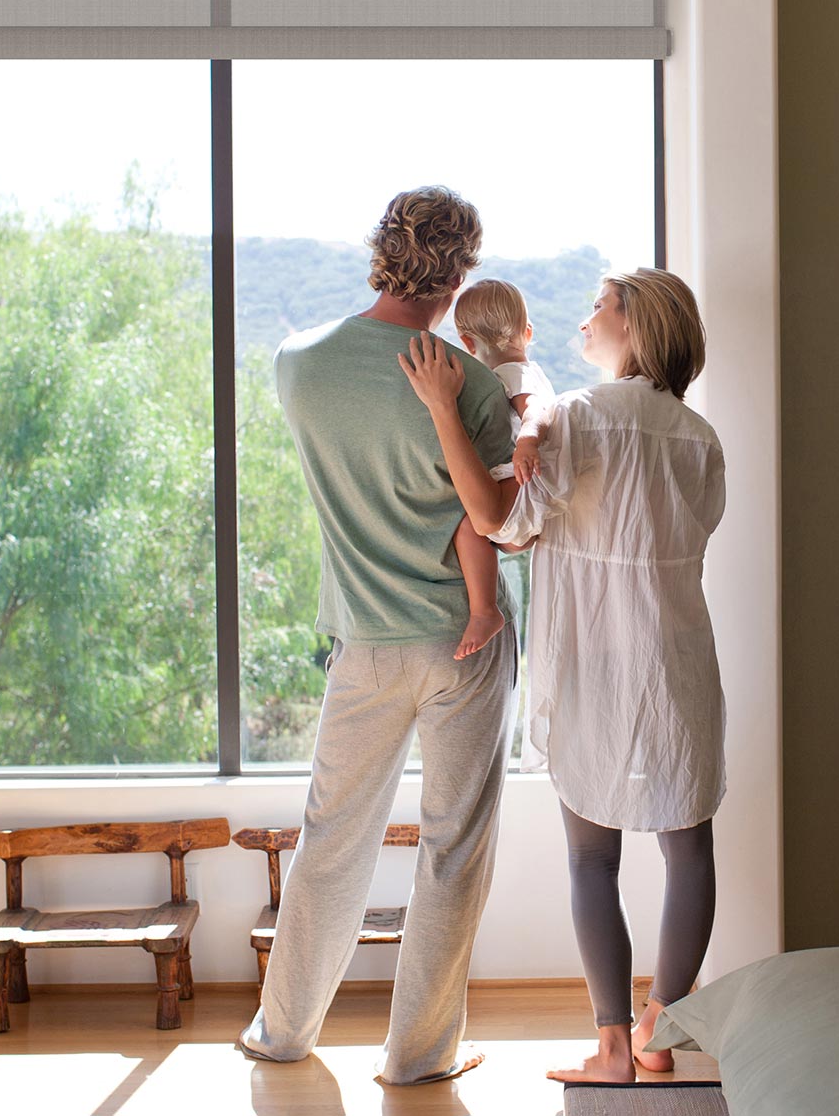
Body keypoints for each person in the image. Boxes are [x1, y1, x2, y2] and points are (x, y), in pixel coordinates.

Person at [398, 268, 726, 1085]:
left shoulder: (577, 417)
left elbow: (499, 523)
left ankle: (613, 1050)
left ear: (636, 325)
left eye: (600, 306)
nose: (585, 319)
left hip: (592, 663)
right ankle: (659, 1032)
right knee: (690, 851)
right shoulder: (700, 439)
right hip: (679, 661)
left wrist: (442, 409)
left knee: (592, 861)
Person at [238, 187, 519, 1087]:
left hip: (363, 642)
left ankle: (282, 1033)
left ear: (380, 254)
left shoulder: (297, 364)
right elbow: (493, 520)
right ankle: (419, 1057)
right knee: (453, 847)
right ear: (460, 273)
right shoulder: (472, 386)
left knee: (331, 839)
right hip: (462, 642)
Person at [438, 278, 558, 662]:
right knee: (477, 528)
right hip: (528, 492)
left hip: (520, 484)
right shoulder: (529, 370)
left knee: (466, 525)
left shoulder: (511, 375)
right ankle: (486, 607)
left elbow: (535, 410)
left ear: (467, 343)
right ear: (528, 332)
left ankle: (484, 610)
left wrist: (528, 442)